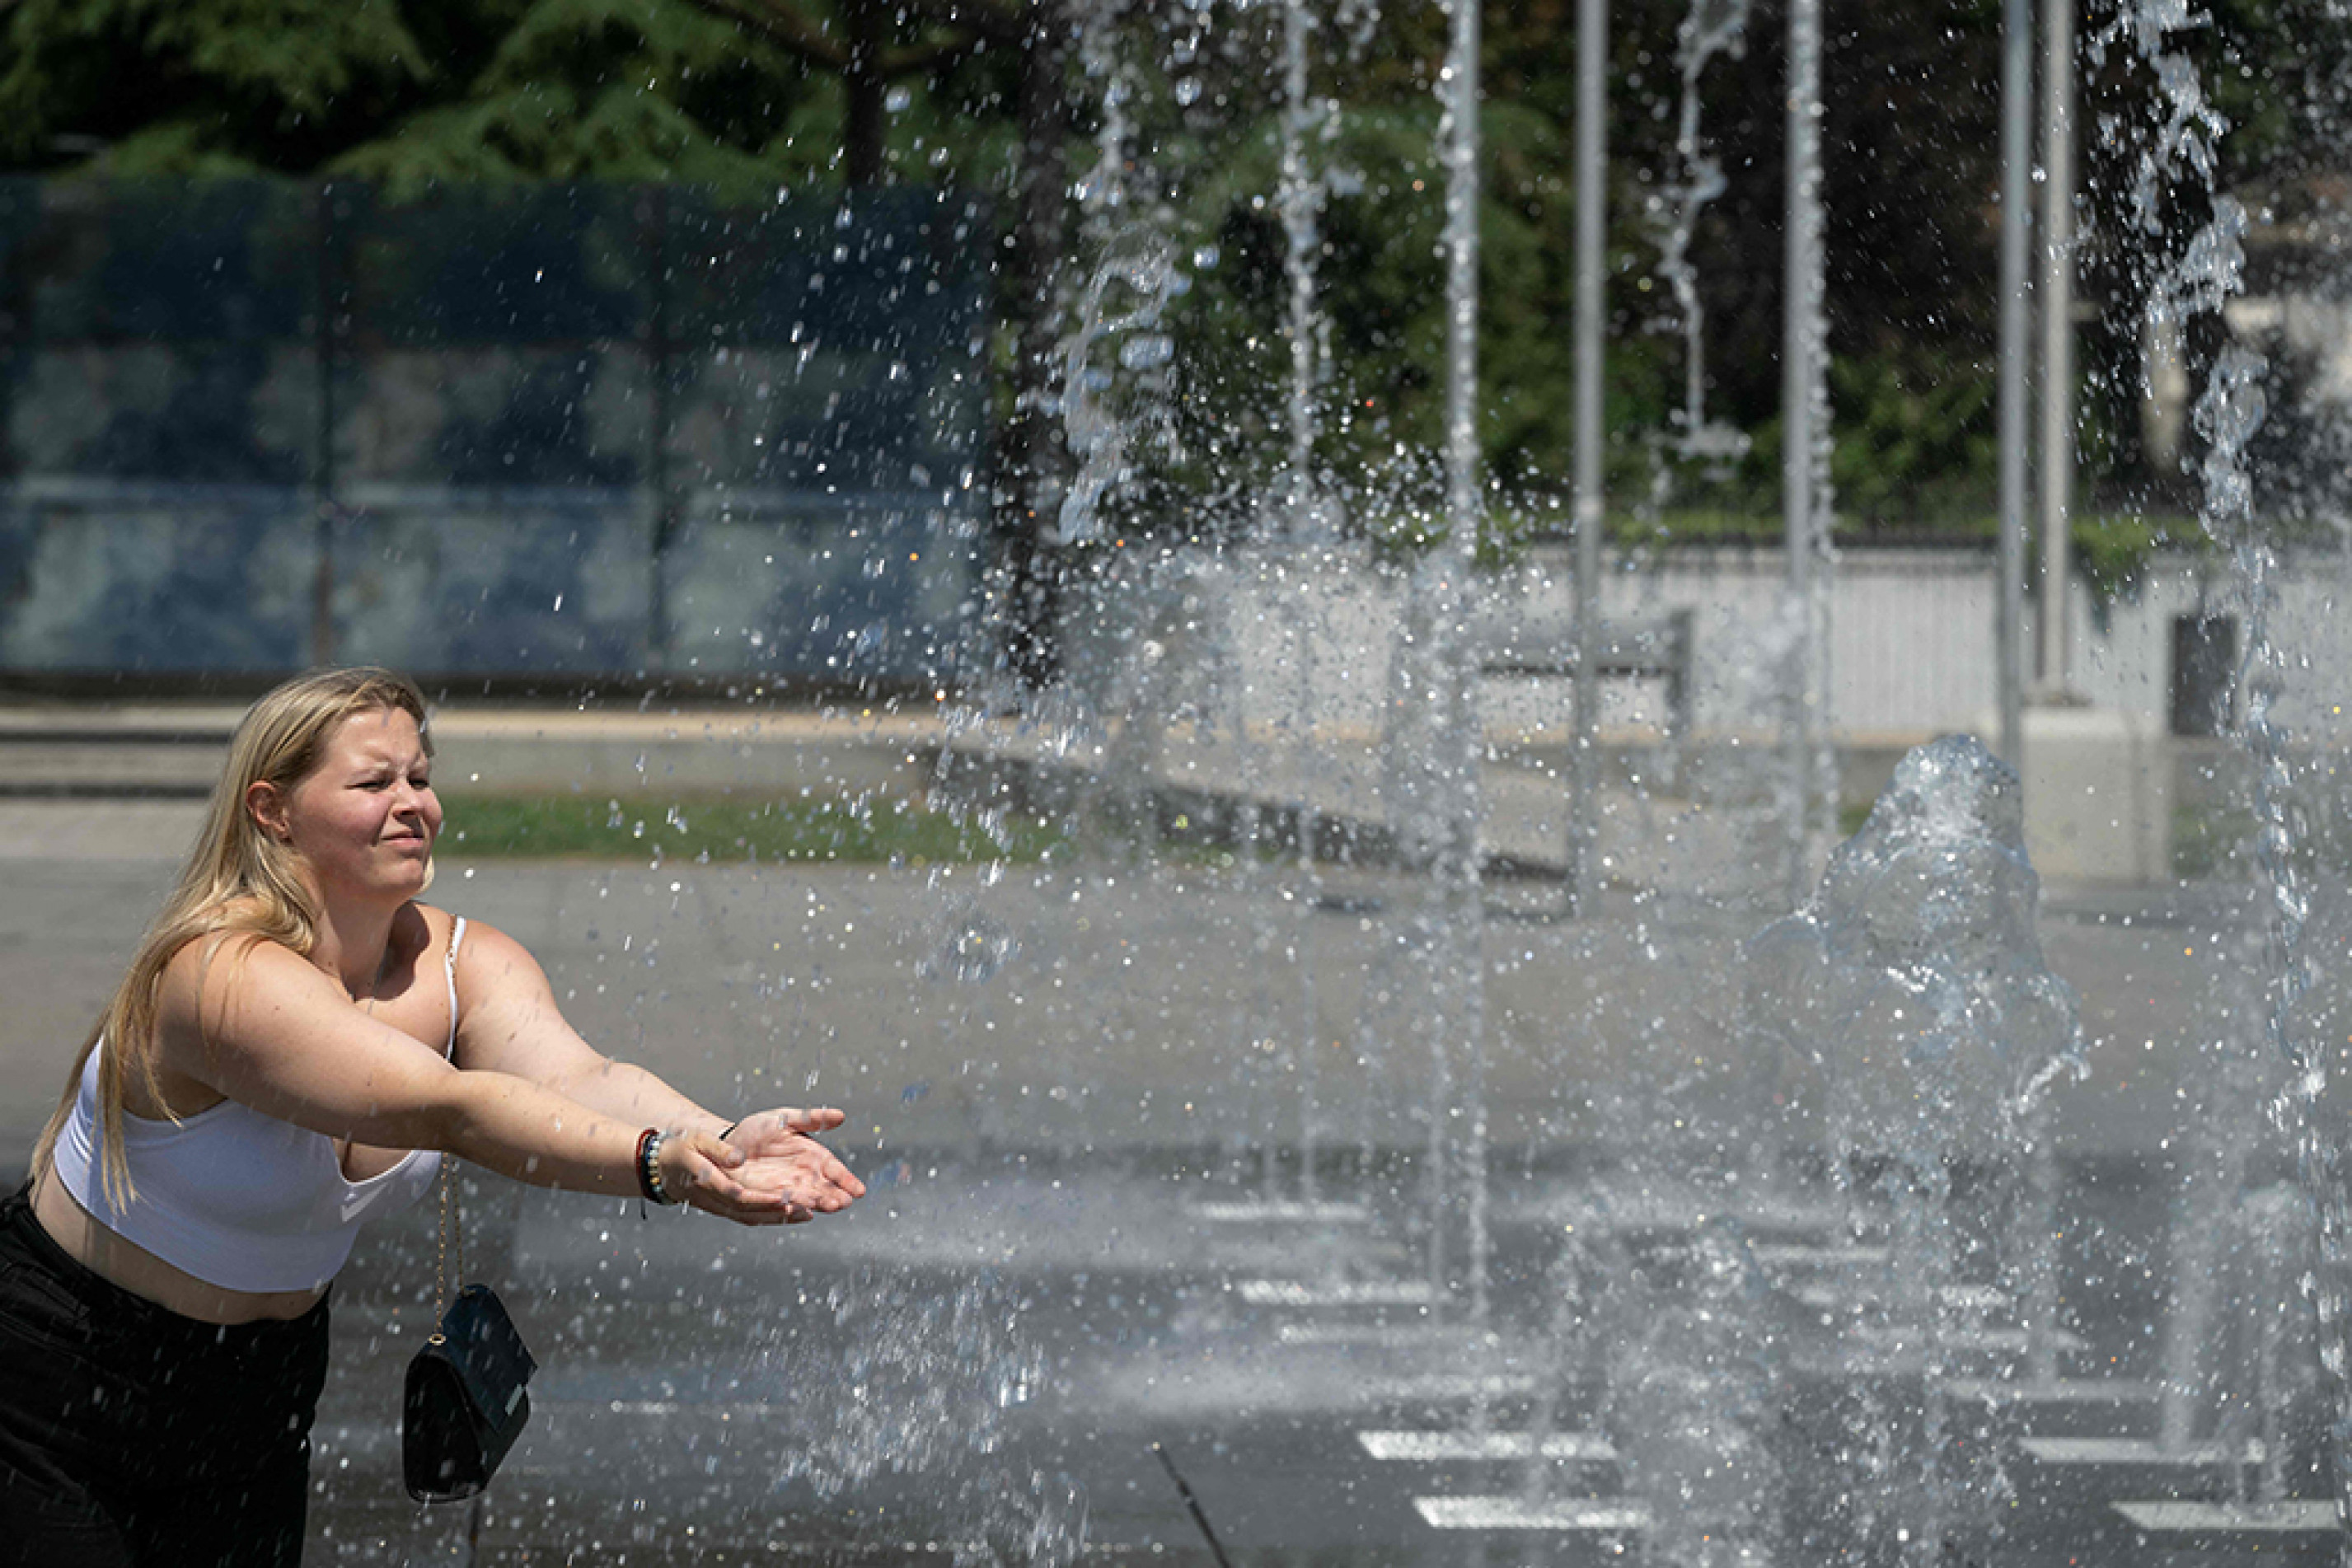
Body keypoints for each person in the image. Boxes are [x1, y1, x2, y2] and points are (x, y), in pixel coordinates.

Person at [0, 667, 866, 1566]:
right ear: (272, 810)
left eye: (420, 776)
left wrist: (719, 1139)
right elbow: (448, 1107)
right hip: (62, 1371)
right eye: (374, 781)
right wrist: (655, 1164)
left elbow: (580, 1076)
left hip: (262, 1387)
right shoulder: (218, 974)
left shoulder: (460, 963)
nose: (413, 802)